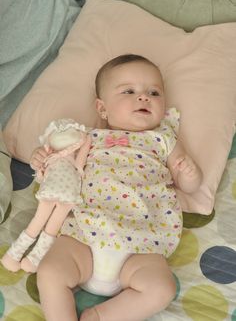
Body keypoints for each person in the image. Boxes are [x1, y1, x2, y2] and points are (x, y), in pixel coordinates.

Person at [29, 54, 202, 321]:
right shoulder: (87, 137)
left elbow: (190, 185)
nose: (144, 97)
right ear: (102, 109)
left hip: (141, 243)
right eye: (129, 91)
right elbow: (57, 169)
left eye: (154, 92)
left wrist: (189, 173)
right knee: (50, 271)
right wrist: (40, 158)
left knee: (162, 288)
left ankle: (99, 316)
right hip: (85, 234)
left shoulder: (163, 139)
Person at [1, 119, 91, 273]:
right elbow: (37, 166)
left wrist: (87, 141)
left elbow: (81, 164)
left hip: (68, 194)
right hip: (54, 191)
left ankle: (34, 259)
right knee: (38, 221)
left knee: (52, 227)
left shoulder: (74, 157)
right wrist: (38, 158)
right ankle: (13, 255)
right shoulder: (49, 155)